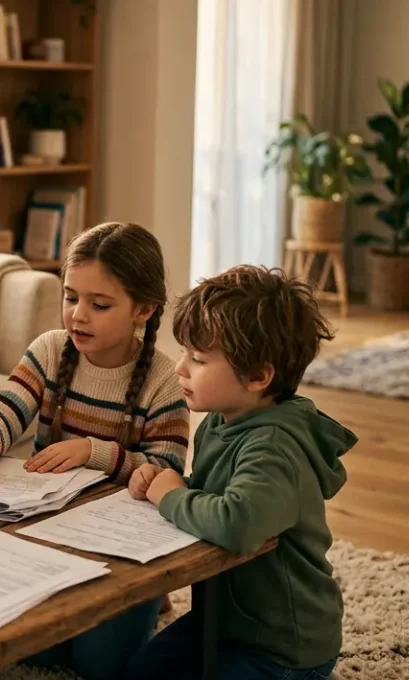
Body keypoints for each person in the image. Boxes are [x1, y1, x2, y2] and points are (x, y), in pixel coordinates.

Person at [0, 222, 191, 680]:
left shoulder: (164, 379)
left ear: (144, 309)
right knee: (32, 651)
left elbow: (166, 471)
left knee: (99, 665)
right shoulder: (50, 349)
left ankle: (151, 596)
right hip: (48, 537)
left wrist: (92, 451)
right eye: (70, 296)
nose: (78, 315)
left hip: (118, 551)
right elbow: (6, 405)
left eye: (99, 304)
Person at [126, 265, 352, 680]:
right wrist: (170, 484)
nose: (180, 369)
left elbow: (238, 523)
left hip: (282, 645)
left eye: (198, 359)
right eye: (184, 353)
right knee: (141, 674)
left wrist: (171, 496)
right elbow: (218, 493)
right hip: (224, 623)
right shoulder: (223, 420)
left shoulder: (275, 448)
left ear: (257, 376)